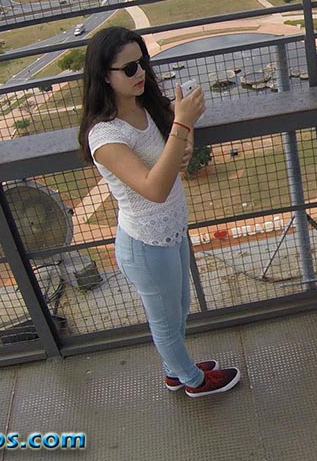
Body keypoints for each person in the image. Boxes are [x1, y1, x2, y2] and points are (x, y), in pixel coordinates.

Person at [78, 26, 241, 397]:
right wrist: (183, 125)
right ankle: (194, 382)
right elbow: (154, 188)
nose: (141, 74)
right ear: (104, 75)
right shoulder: (104, 136)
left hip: (172, 231)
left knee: (179, 308)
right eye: (130, 68)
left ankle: (175, 369)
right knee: (165, 323)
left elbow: (174, 138)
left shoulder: (144, 104)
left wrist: (185, 136)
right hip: (145, 244)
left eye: (143, 63)